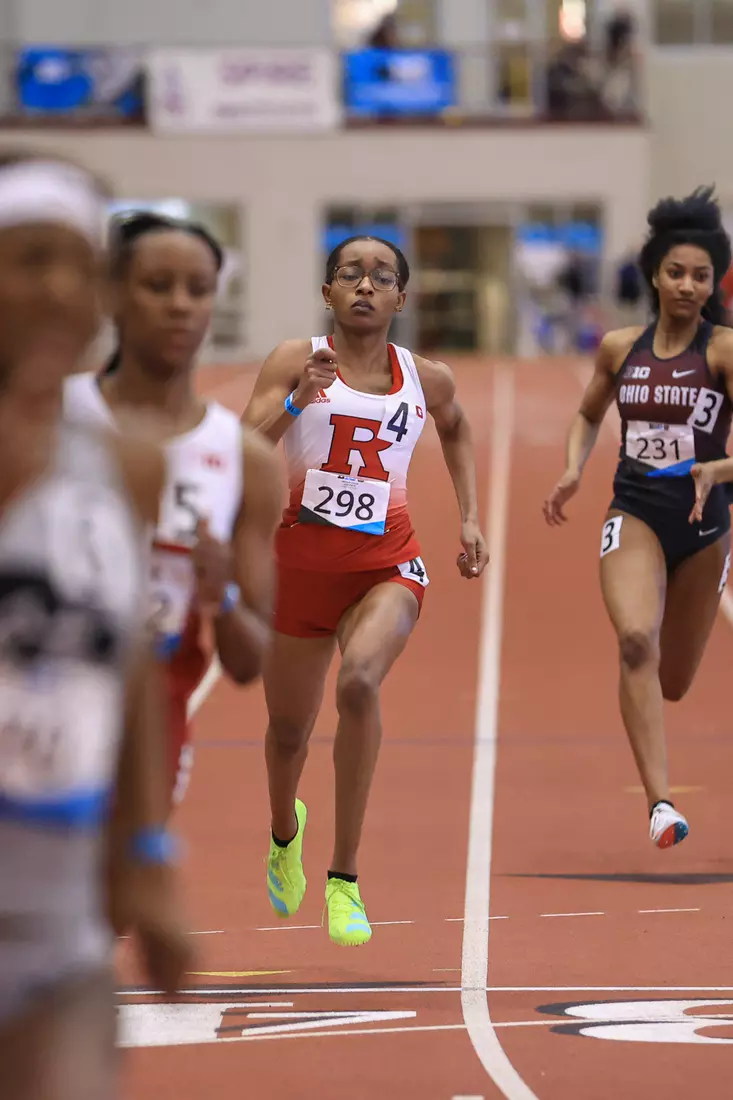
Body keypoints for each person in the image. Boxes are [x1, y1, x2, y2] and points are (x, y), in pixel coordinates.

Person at [0, 153, 191, 1098]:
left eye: (80, 267)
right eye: (29, 260)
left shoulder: (125, 471)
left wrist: (147, 859)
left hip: (58, 927)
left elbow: (124, 668)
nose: (58, 291)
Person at [243, 235, 488, 946]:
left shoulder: (425, 377)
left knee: (358, 685)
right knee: (288, 734)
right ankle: (285, 832)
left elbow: (457, 427)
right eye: (349, 273)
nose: (365, 285)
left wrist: (469, 516)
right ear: (328, 292)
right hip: (295, 577)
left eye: (382, 277)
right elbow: (240, 450)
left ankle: (343, 879)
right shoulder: (296, 360)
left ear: (400, 299)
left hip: (386, 567)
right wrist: (296, 400)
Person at [64, 211, 282, 811]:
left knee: (121, 903)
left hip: (150, 729)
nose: (181, 305)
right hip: (35, 701)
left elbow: (248, 662)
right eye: (158, 286)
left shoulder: (245, 461)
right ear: (113, 294)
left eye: (199, 289)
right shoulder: (51, 418)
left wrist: (224, 597)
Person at [544, 186, 733, 849]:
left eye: (700, 276)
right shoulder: (620, 348)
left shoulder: (722, 353)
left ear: (714, 283)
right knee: (633, 641)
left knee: (674, 680)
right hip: (636, 510)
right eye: (675, 272)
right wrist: (572, 467)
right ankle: (659, 803)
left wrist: (719, 468)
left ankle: (653, 717)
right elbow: (588, 414)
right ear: (653, 274)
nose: (687, 285)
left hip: (706, 525)